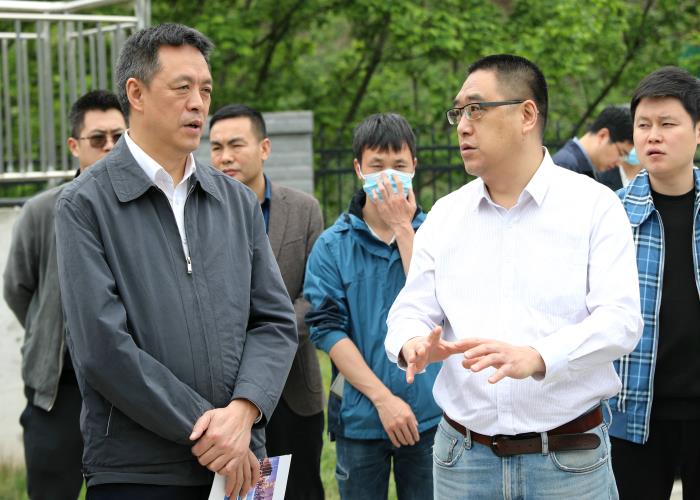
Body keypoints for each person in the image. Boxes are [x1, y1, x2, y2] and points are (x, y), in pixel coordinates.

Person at [53, 23, 297, 500]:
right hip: (139, 471)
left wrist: (244, 411)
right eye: (182, 88)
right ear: (136, 94)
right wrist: (212, 431)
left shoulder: (235, 201)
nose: (198, 104)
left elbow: (274, 321)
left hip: (238, 466)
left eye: (205, 90)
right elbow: (102, 348)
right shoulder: (85, 204)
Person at [385, 54, 643, 499]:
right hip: (464, 461)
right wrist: (413, 343)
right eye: (458, 112)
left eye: (476, 109)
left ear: (527, 114)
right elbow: (410, 309)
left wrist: (539, 356)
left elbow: (620, 322)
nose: (463, 126)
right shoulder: (446, 216)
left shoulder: (594, 206)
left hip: (568, 462)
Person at [304, 112, 440, 500]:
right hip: (360, 418)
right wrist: (383, 401)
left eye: (399, 165)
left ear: (414, 166)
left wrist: (404, 230)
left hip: (431, 414)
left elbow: (436, 305)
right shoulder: (332, 246)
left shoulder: (436, 234)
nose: (389, 176)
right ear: (358, 169)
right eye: (377, 166)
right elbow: (328, 331)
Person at [3, 90, 125, 500]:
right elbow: (18, 288)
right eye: (98, 139)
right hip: (57, 392)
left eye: (119, 137)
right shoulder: (42, 211)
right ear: (75, 145)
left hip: (126, 395)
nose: (110, 147)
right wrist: (51, 331)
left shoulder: (145, 208)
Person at [209, 103, 325, 500]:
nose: (225, 156)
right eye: (216, 147)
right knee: (247, 492)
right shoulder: (202, 212)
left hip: (292, 389)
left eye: (236, 145)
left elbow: (315, 297)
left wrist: (266, 339)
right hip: (227, 395)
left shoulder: (304, 210)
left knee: (300, 491)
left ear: (264, 148)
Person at [610, 66, 700, 500]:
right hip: (632, 415)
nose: (653, 136)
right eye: (643, 125)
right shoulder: (610, 215)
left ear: (698, 131)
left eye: (667, 124)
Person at [553, 105, 633, 190]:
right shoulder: (564, 167)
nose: (619, 163)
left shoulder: (583, 167)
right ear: (603, 135)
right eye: (621, 153)